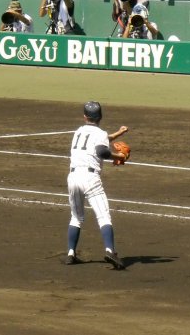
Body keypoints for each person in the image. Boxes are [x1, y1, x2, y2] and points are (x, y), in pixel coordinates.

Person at [65, 101, 129, 269]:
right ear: (101, 117)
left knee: (76, 217)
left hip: (73, 177)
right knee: (104, 216)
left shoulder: (78, 132)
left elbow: (99, 141)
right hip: (90, 179)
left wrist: (118, 134)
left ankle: (71, 253)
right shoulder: (100, 133)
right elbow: (101, 151)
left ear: (85, 116)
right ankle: (110, 250)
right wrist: (120, 157)